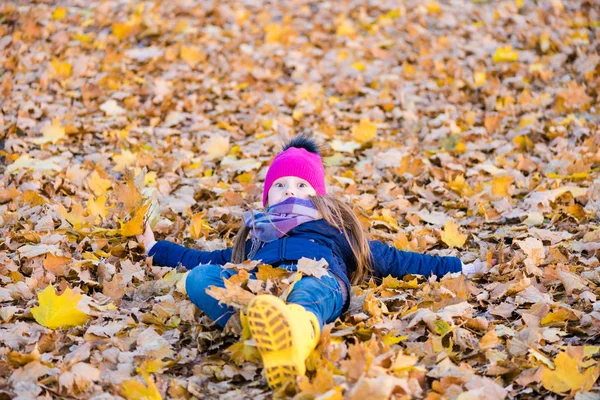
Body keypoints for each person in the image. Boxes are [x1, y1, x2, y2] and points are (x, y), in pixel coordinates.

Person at [137, 135, 485, 390]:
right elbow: (205, 258)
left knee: (306, 296)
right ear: (267, 196)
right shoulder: (257, 234)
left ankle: (294, 337)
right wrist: (157, 249)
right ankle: (258, 325)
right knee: (200, 277)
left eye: (301, 185)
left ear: (317, 195)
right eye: (281, 185)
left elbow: (392, 259)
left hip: (319, 282)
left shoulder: (333, 229)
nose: (290, 190)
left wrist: (454, 267)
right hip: (259, 288)